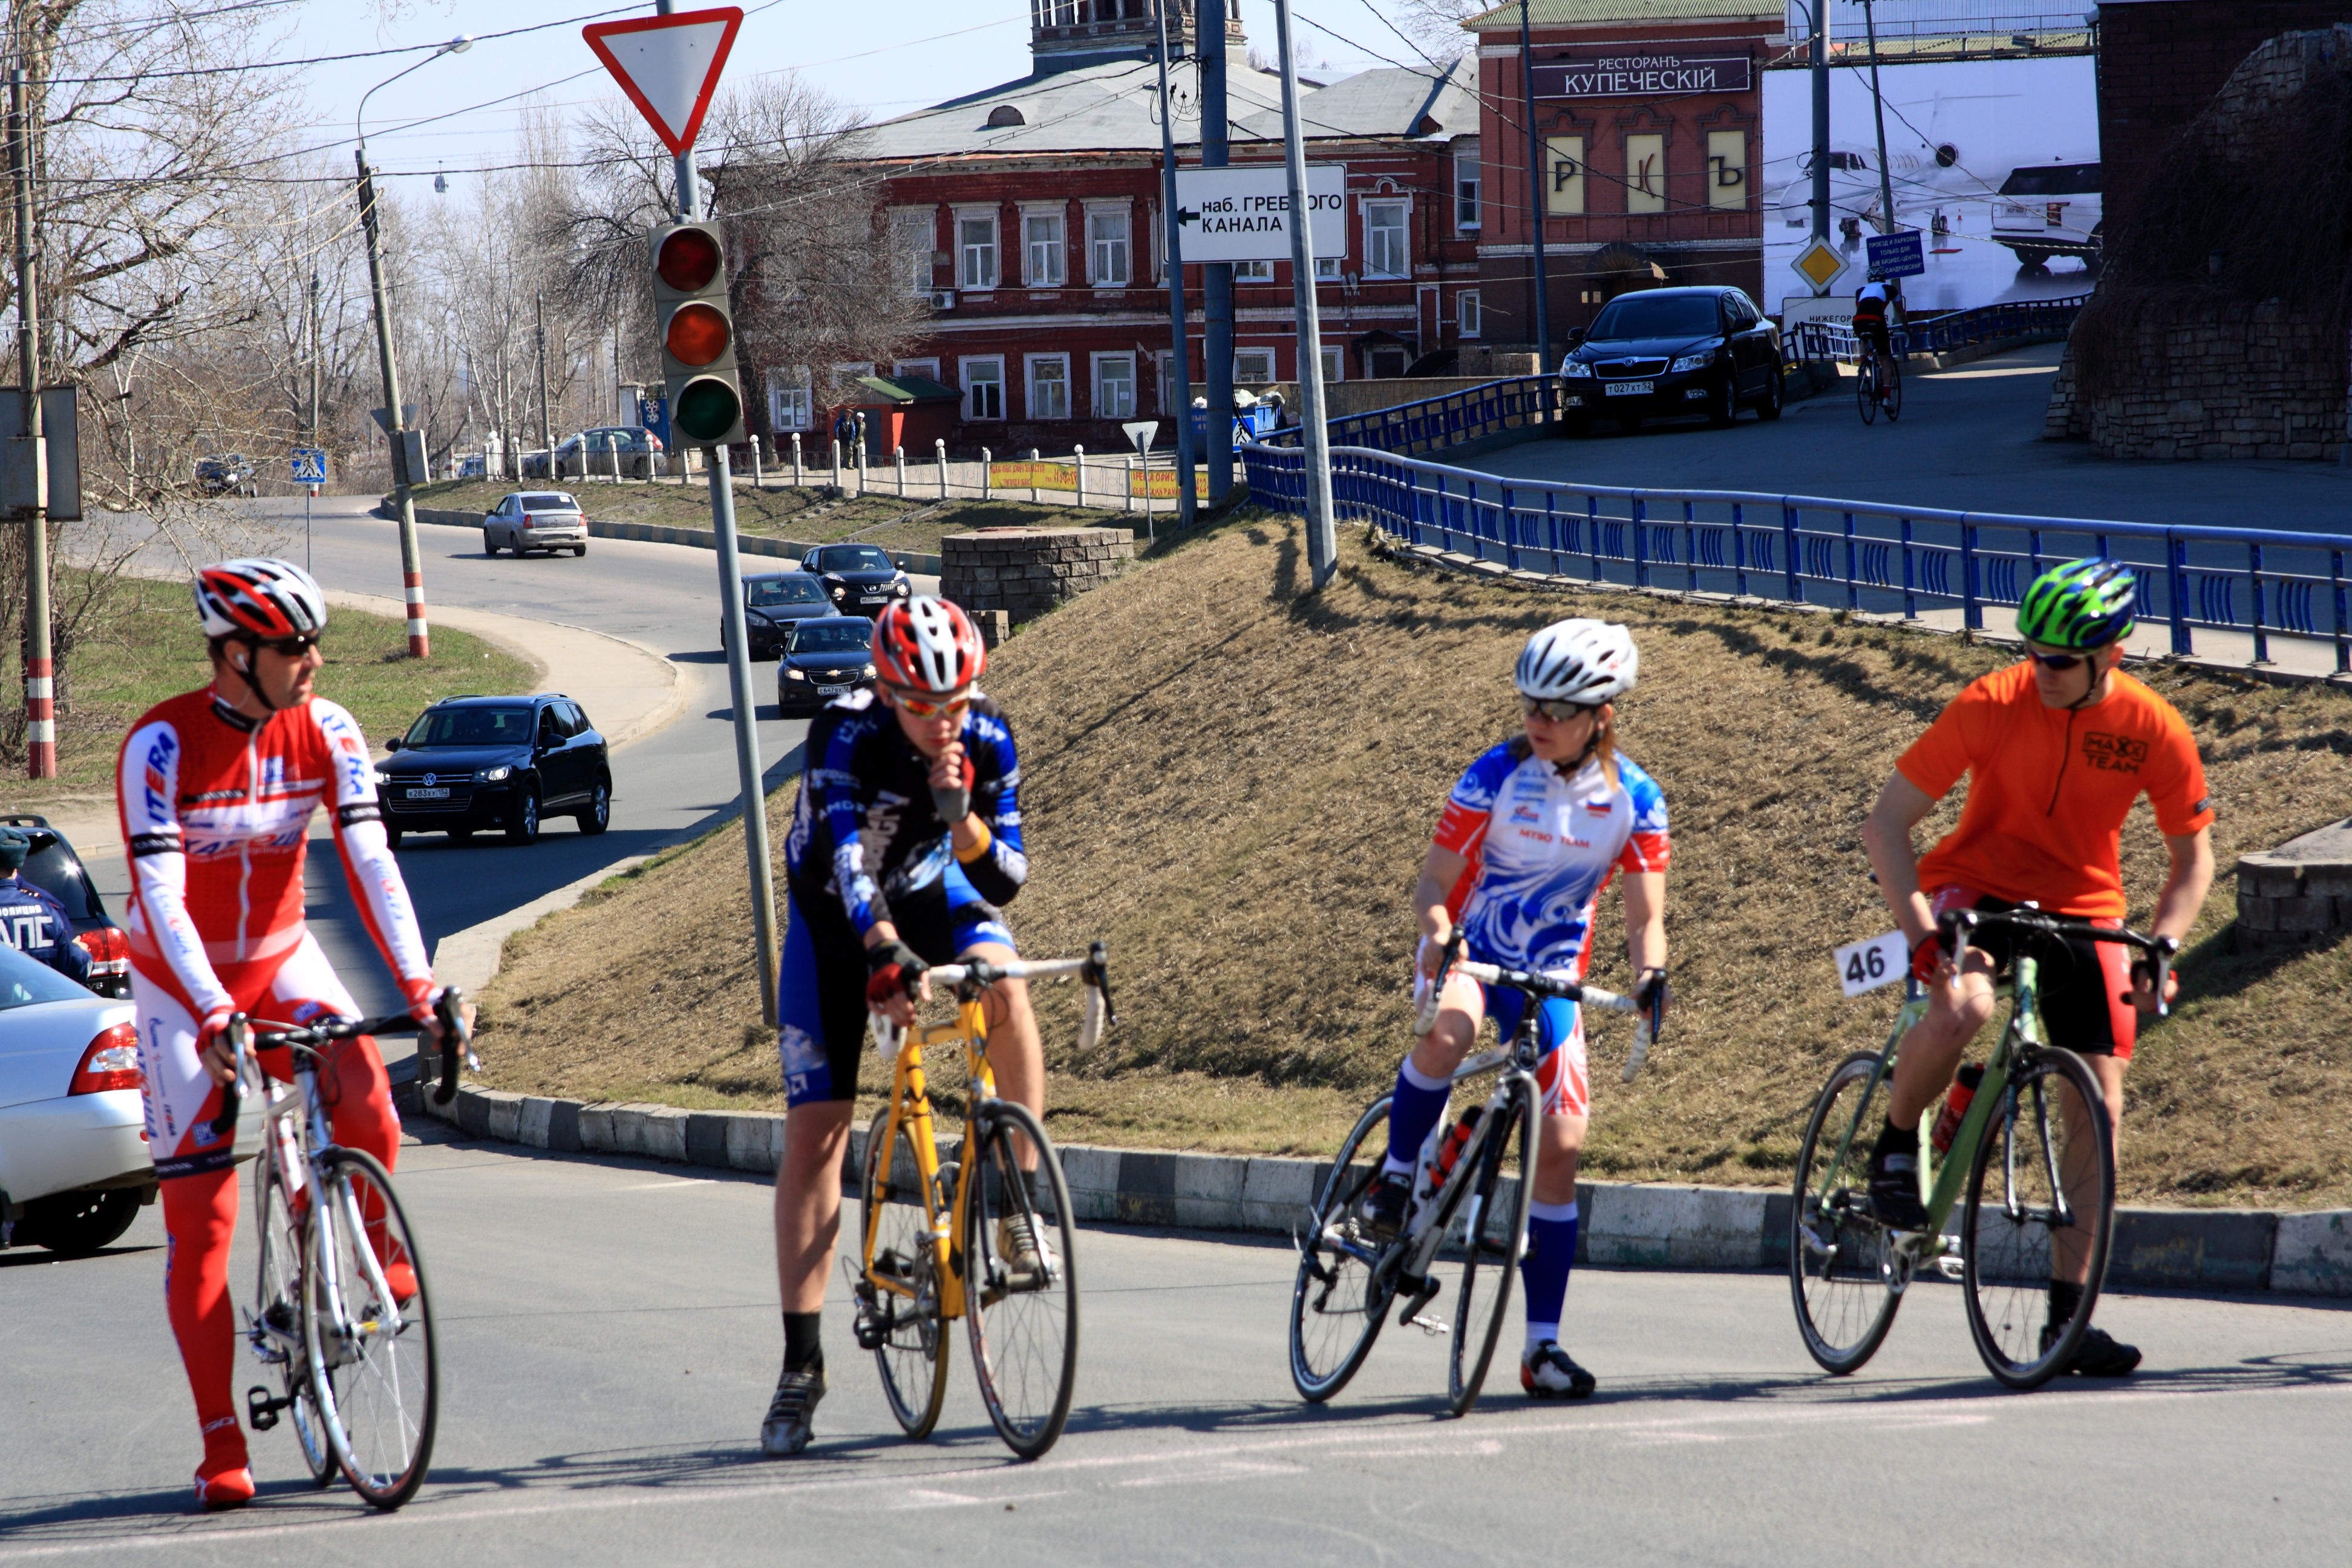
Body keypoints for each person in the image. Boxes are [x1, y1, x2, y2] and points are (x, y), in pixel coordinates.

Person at [117, 558, 460, 1511]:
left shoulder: (329, 727)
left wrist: (419, 985)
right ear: (236, 655)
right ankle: (221, 1440)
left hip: (279, 958)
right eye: (295, 646)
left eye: (315, 643)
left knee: (367, 1094)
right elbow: (161, 898)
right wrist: (211, 1011)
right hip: (181, 987)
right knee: (202, 1223)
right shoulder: (161, 746)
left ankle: (372, 1260)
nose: (315, 660)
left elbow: (371, 859)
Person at [1860, 558, 2215, 1378]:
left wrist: (2164, 945)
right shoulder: (1992, 702)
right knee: (1965, 1007)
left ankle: (2069, 1317)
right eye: (2031, 652)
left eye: (2060, 659)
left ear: (2111, 654)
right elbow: (1886, 824)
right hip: (1975, 886)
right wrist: (1921, 933)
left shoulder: (2153, 726)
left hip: (2083, 908)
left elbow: (2193, 858)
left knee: (2100, 1100)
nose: (2041, 670)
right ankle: (1894, 1146)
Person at [763, 595, 1039, 1457]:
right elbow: (848, 863)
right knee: (817, 1135)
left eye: (957, 700)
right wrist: (882, 953)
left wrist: (961, 816)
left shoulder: (986, 736)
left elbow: (1007, 880)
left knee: (1010, 991)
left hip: (930, 892)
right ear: (887, 693)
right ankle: (801, 1366)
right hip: (833, 920)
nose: (943, 719)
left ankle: (1018, 1205)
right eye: (923, 705)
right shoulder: (844, 734)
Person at [1370, 619, 1670, 1400]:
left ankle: (1542, 1348)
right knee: (1449, 1034)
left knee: (1563, 1145)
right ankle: (1396, 1178)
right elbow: (1433, 885)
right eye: (1530, 702)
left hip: (1554, 976)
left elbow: (1645, 920)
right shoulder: (1495, 774)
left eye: (1557, 709)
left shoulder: (1637, 800)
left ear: (1601, 717)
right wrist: (1439, 933)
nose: (1537, 719)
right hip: (1472, 951)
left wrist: (1651, 975)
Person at [0, 826, 93, 985]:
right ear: (16, 867)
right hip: (41, 1000)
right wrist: (81, 953)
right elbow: (75, 968)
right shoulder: (46, 908)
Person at [1852, 272, 1896, 382]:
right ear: (1884, 279)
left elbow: (1859, 309)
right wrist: (1906, 328)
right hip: (1877, 321)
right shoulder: (1890, 289)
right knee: (1885, 359)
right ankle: (1886, 393)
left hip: (1858, 320)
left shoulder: (1860, 290)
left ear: (1868, 280)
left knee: (1864, 339)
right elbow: (1900, 311)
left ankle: (1863, 363)